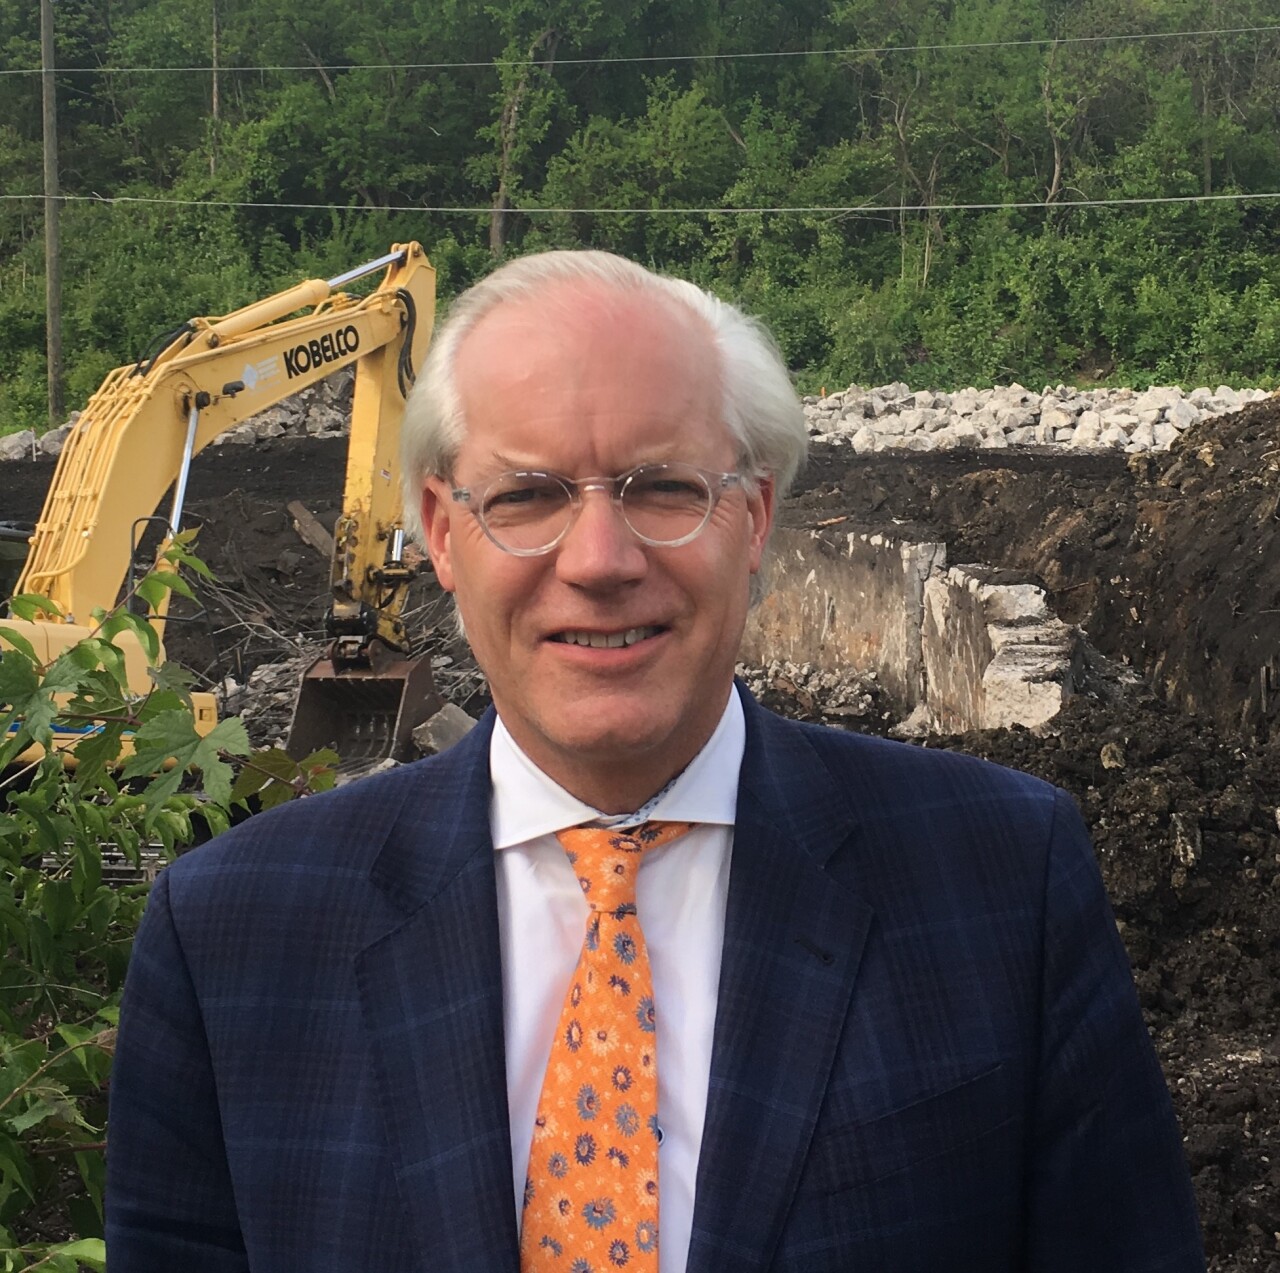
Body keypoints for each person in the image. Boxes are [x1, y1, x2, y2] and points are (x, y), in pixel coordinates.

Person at [105, 251, 1205, 1273]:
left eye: (664, 488)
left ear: (755, 516)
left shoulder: (1002, 879)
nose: (598, 561)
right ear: (441, 532)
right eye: (528, 496)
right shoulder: (233, 939)